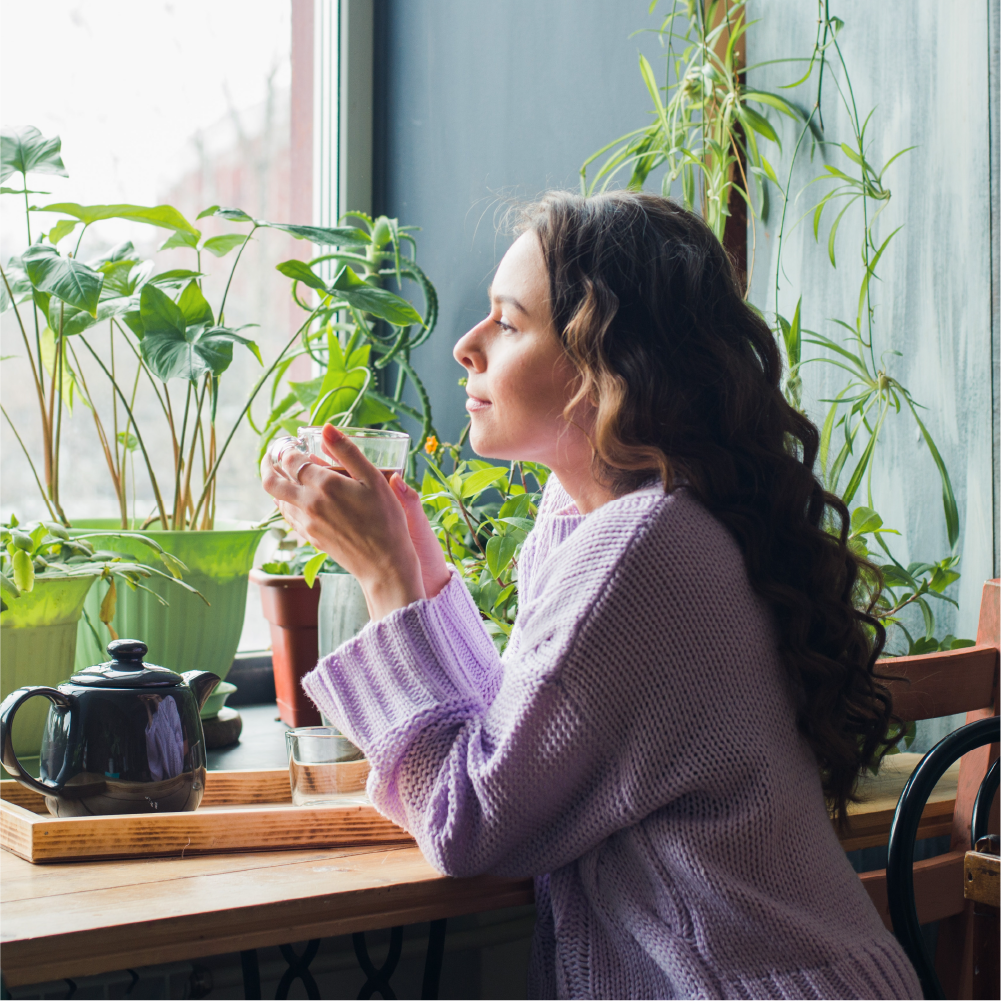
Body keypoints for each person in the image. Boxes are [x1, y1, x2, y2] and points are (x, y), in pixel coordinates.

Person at [261, 191, 921, 1000]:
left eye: (507, 323)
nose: (468, 346)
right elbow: (519, 747)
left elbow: (471, 822)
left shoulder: (641, 545)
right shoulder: (604, 518)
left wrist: (386, 578)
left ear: (603, 359)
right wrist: (420, 566)